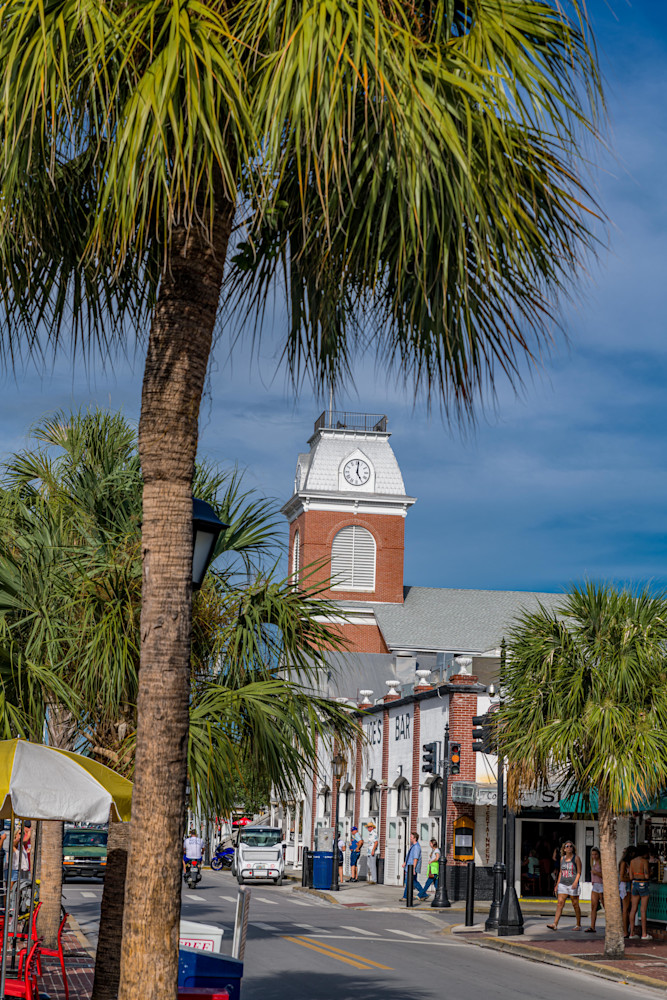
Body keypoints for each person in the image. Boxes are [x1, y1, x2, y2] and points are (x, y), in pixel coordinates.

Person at [547, 840, 582, 931]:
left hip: (572, 884)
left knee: (575, 904)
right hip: (563, 883)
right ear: (564, 849)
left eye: (571, 846)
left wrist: (575, 882)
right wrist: (557, 885)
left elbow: (579, 872)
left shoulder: (576, 858)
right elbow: (561, 872)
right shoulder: (562, 859)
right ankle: (555, 924)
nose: (569, 847)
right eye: (567, 846)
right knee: (560, 903)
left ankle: (578, 924)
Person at [628, 843, 651, 940]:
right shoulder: (644, 861)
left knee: (633, 909)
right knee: (643, 910)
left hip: (635, 884)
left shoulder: (632, 861)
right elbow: (646, 876)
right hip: (643, 884)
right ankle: (644, 934)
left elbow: (631, 876)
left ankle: (632, 933)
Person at [401, 831, 427, 902]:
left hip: (411, 867)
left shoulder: (416, 847)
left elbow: (415, 859)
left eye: (411, 837)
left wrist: (413, 869)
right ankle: (422, 894)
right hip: (409, 866)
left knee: (411, 881)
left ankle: (422, 893)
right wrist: (405, 862)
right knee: (410, 881)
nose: (410, 838)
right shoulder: (413, 846)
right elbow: (410, 856)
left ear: (415, 838)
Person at [586, 847, 604, 932]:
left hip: (601, 885)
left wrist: (596, 873)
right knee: (593, 906)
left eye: (596, 854)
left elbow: (605, 875)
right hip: (595, 885)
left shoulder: (601, 863)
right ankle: (592, 926)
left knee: (605, 906)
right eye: (592, 854)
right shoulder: (593, 862)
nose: (594, 856)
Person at [619, 844, 636, 936]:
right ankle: (625, 931)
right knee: (625, 909)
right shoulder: (624, 863)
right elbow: (621, 877)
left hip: (629, 885)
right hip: (626, 886)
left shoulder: (628, 862)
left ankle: (626, 930)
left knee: (628, 909)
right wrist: (632, 878)